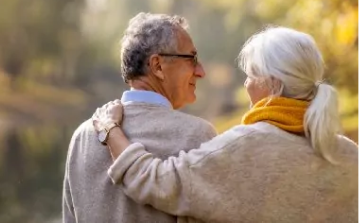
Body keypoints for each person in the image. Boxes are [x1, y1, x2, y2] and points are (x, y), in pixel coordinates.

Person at [93, 26, 359, 223]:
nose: (246, 84)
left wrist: (110, 129)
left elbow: (154, 181)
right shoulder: (350, 155)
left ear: (273, 85)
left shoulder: (246, 147)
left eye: (251, 76)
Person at [63, 13, 217, 223]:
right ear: (158, 66)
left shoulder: (82, 137)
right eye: (192, 59)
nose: (201, 71)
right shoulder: (196, 136)